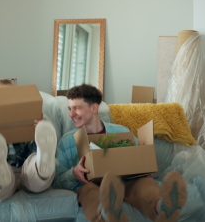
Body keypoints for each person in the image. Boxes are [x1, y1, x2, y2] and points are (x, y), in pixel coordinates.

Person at [54, 84, 187, 222]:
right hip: (87, 186)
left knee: (143, 185)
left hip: (123, 182)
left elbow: (141, 156)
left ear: (94, 108)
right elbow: (56, 181)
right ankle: (105, 216)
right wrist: (73, 173)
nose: (71, 114)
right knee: (90, 192)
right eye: (70, 109)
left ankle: (162, 207)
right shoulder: (67, 141)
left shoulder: (122, 131)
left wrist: (145, 168)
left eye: (77, 108)